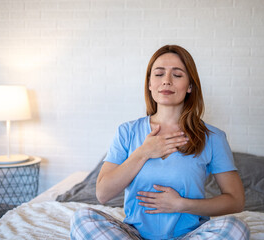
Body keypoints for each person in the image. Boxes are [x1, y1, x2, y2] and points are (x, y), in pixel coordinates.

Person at [70, 45, 250, 240]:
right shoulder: (127, 132)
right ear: (149, 84)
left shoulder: (213, 137)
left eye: (177, 75)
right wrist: (143, 152)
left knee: (236, 227)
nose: (166, 81)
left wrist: (182, 204)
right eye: (159, 74)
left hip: (190, 235)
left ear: (190, 86)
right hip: (134, 235)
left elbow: (236, 201)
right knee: (83, 218)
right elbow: (103, 194)